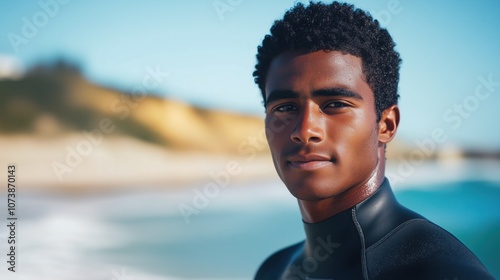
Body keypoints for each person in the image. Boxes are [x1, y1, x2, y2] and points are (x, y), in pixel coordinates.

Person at [252, 2, 494, 279]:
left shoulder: (440, 272)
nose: (305, 130)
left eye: (335, 104)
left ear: (386, 125)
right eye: (284, 108)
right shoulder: (272, 270)